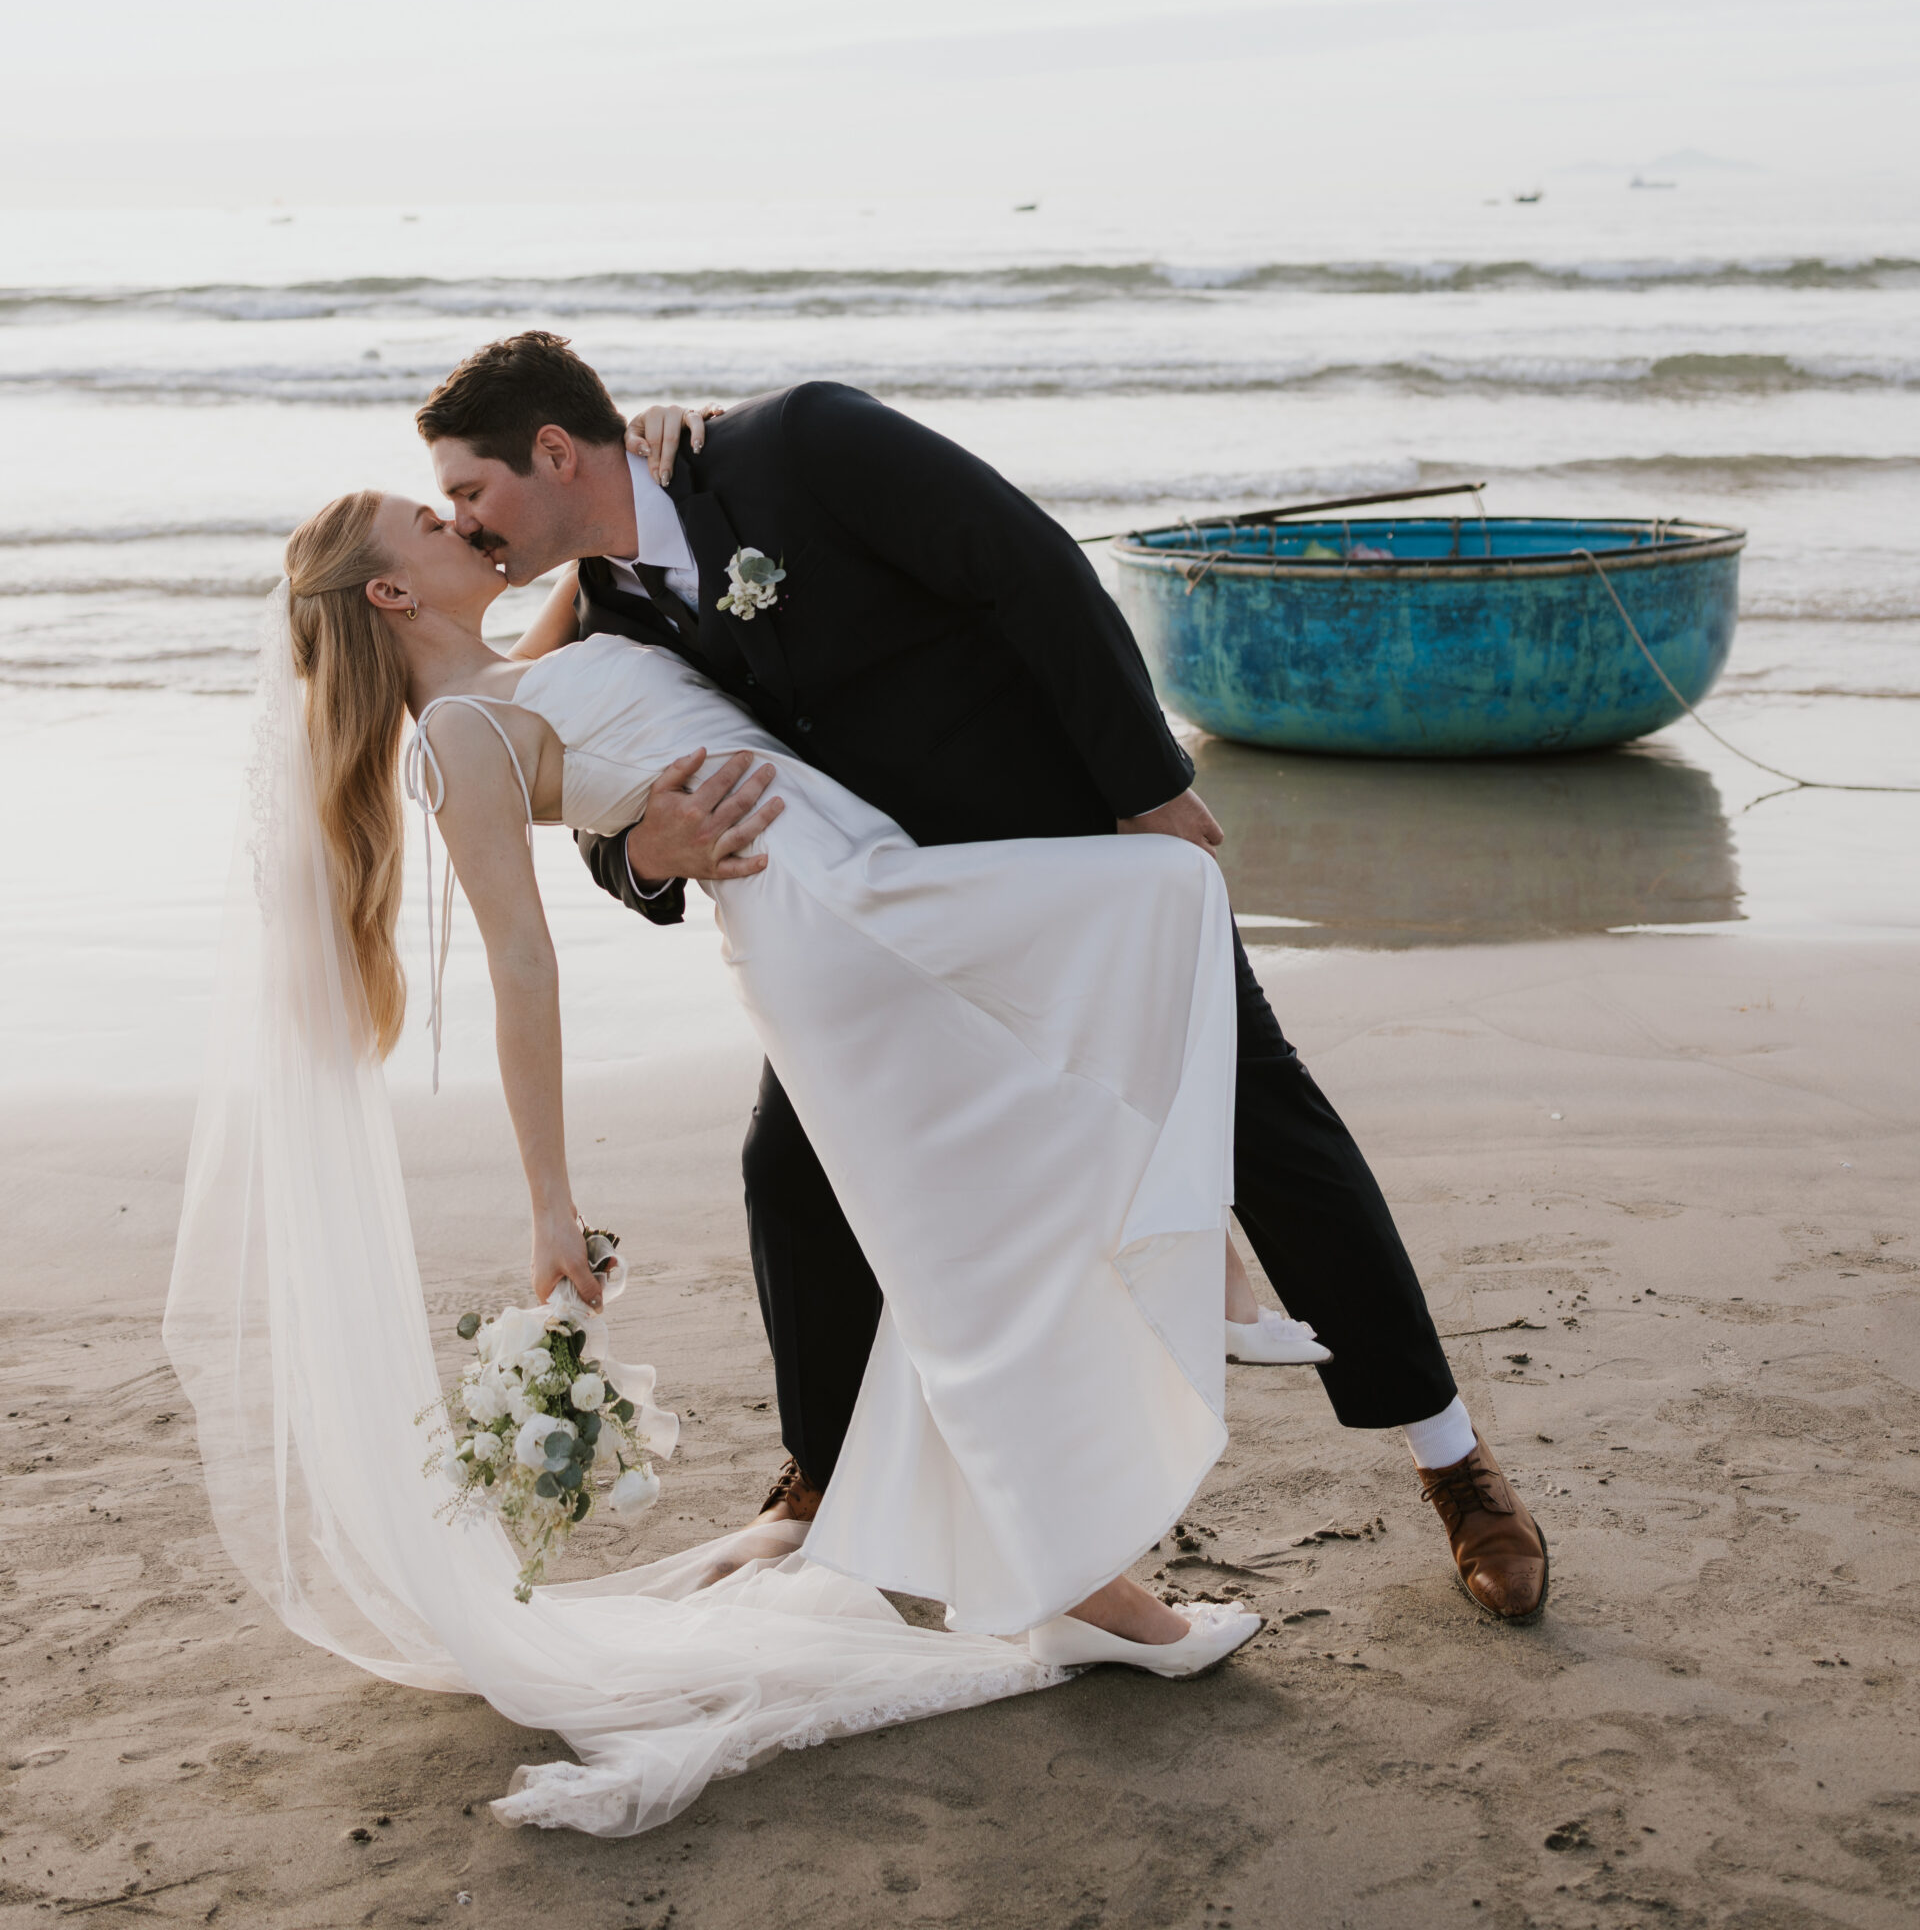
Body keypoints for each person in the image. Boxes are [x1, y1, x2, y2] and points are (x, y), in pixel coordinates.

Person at [417, 335, 1547, 1624]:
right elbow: (603, 779)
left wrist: (1146, 792)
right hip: (885, 917)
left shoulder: (801, 444)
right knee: (791, 1170)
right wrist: (646, 862)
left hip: (1060, 846)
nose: (468, 524)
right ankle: (826, 1481)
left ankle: (1453, 1462)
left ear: (554, 451)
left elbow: (1030, 565)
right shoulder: (606, 604)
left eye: (471, 492)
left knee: (1259, 1116)